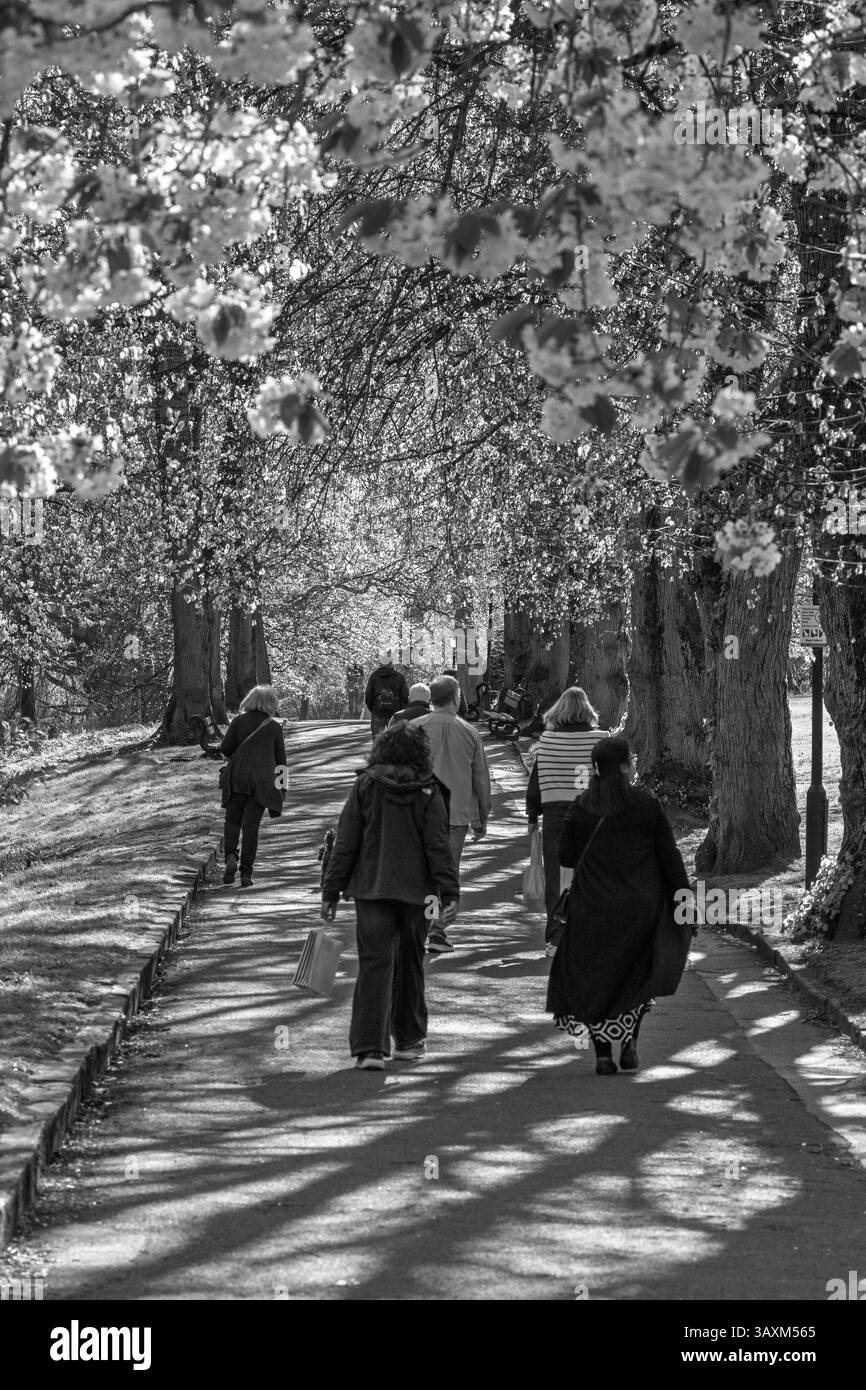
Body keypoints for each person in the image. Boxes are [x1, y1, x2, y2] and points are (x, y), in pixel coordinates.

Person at [546, 735, 691, 1075]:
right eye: (632, 759)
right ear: (625, 766)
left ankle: (601, 1054)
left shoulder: (581, 807)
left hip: (591, 908)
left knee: (598, 977)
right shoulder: (646, 805)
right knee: (635, 978)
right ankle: (629, 1045)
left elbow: (565, 856)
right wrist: (683, 899)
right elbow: (670, 857)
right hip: (639, 906)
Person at [321, 723, 460, 1070]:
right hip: (417, 894)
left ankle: (370, 1049)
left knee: (374, 965)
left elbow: (346, 841)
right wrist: (448, 890)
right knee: (411, 963)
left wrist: (331, 889)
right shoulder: (429, 790)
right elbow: (437, 845)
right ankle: (409, 1041)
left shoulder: (366, 784)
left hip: (372, 888)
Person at [411, 674, 491, 952]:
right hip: (454, 815)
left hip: (417, 813)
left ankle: (417, 927)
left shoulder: (414, 727)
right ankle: (437, 930)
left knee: (419, 869)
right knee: (447, 872)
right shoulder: (468, 732)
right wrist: (482, 815)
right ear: (456, 697)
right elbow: (480, 778)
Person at [526, 686, 609, 950]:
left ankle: (557, 934)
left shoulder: (547, 741)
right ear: (587, 710)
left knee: (556, 876)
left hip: (555, 815)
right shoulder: (602, 740)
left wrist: (532, 816)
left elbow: (536, 782)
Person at [219, 684, 287, 888]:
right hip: (263, 782)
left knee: (232, 819)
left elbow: (225, 749)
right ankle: (246, 873)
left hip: (238, 777)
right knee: (251, 826)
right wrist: (282, 788)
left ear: (249, 700)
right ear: (271, 704)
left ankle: (231, 856)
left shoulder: (238, 721)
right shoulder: (274, 727)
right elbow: (281, 761)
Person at [364, 650, 410, 737]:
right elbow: (405, 697)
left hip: (378, 712)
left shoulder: (374, 676)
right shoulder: (400, 677)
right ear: (392, 663)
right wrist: (401, 710)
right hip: (395, 713)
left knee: (377, 742)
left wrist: (373, 708)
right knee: (395, 741)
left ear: (381, 663)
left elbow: (368, 695)